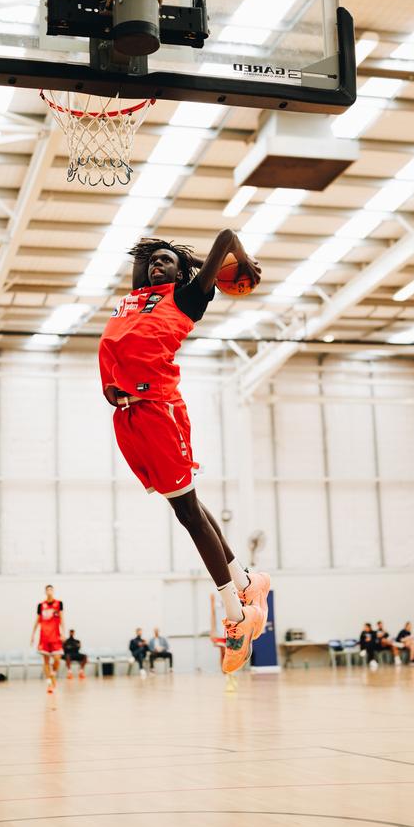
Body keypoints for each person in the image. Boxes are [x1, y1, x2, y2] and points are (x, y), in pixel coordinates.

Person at [98, 232, 270, 674]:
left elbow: (226, 237)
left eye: (167, 262)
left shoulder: (189, 297)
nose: (157, 265)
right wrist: (113, 391)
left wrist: (242, 259)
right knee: (187, 505)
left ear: (183, 274)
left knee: (189, 513)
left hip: (160, 410)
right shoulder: (136, 297)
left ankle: (237, 616)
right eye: (153, 261)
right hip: (130, 416)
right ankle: (248, 581)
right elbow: (140, 256)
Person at [31, 584, 63, 694]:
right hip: (44, 636)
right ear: (45, 592)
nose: (49, 591)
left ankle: (53, 673)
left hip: (55, 636)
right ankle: (49, 683)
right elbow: (37, 620)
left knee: (57, 658)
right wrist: (33, 634)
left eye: (51, 589)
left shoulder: (59, 604)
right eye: (47, 589)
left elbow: (62, 619)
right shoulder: (41, 605)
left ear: (53, 591)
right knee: (46, 661)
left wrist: (63, 632)